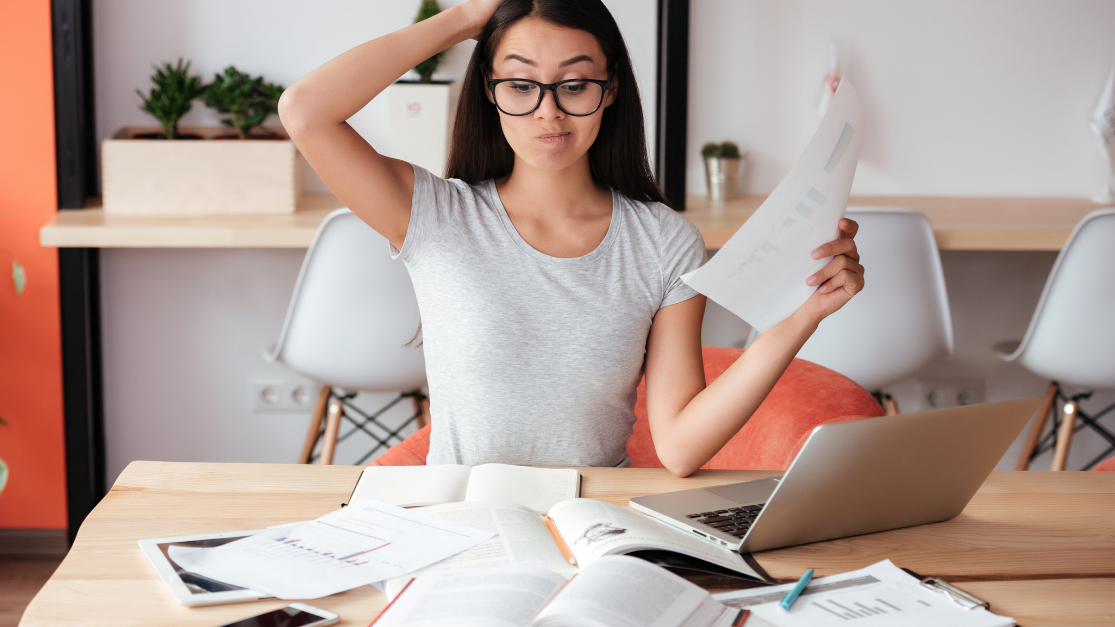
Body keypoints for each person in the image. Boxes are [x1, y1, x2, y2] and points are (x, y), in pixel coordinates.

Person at [279, 0, 864, 477]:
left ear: (609, 90)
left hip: (594, 525)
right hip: (460, 524)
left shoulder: (663, 241)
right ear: (489, 89)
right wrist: (461, 19)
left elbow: (682, 446)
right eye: (521, 84)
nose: (548, 113)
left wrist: (802, 315)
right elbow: (305, 111)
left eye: (575, 84)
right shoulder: (436, 216)